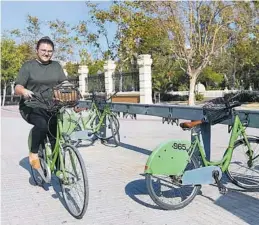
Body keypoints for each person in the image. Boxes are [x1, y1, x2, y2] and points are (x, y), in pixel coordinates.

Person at [15, 36, 67, 169]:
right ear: (37, 50)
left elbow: (63, 83)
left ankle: (60, 171)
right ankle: (33, 153)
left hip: (51, 106)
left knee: (56, 136)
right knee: (42, 125)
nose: (46, 53)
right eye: (43, 50)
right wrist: (24, 91)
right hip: (31, 105)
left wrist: (70, 89)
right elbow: (17, 87)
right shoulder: (28, 66)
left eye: (50, 51)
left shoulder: (56, 66)